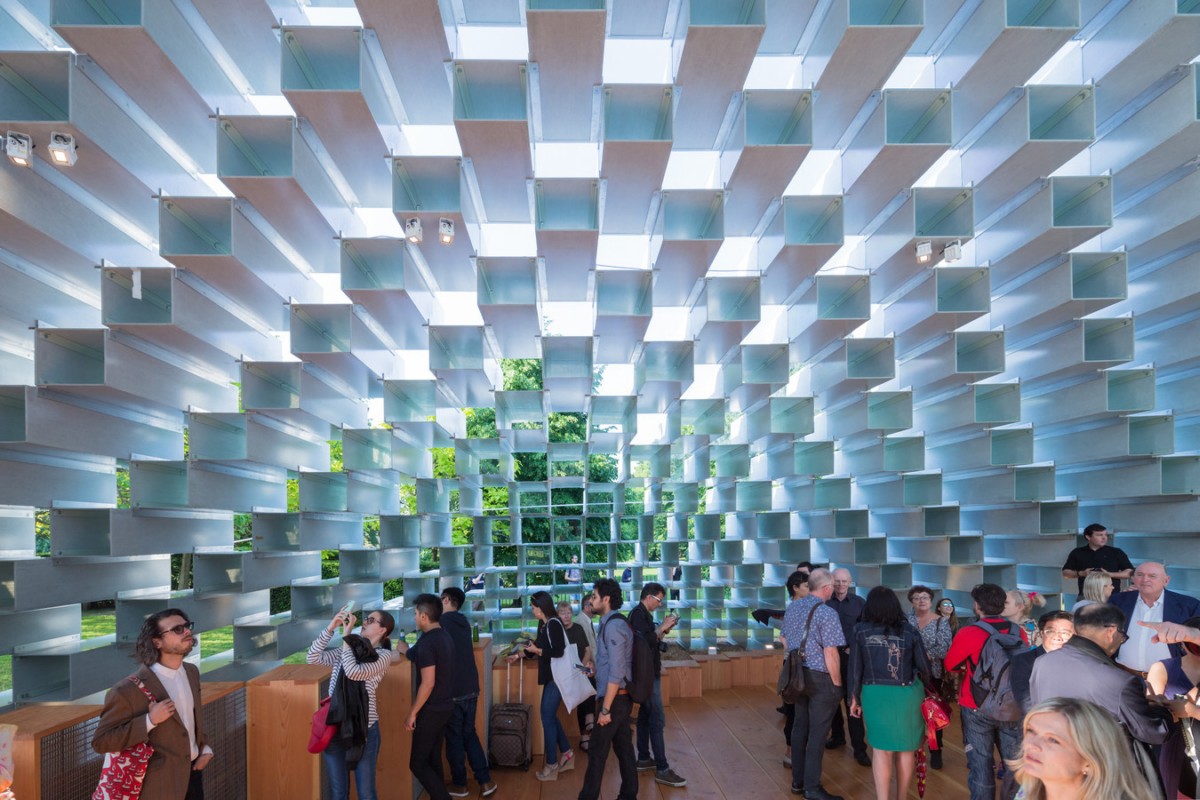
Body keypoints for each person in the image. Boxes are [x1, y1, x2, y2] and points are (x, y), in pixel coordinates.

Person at [1029, 603, 1178, 789]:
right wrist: (1165, 709)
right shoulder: (1119, 681)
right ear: (1111, 631)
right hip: (1103, 777)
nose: (1120, 641)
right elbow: (1154, 732)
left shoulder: (1042, 662)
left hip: (1053, 769)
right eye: (1122, 636)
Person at [93, 609, 213, 800]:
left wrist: (203, 747)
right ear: (156, 642)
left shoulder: (191, 672)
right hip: (156, 787)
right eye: (177, 629)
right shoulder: (126, 690)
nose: (187, 632)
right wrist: (149, 720)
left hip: (193, 777)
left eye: (187, 626)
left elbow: (189, 722)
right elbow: (101, 742)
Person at [944, 583, 1029, 800]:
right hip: (1011, 704)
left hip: (976, 705)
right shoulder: (1017, 631)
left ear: (977, 606)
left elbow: (950, 665)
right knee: (1015, 767)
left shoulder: (969, 632)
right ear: (1002, 605)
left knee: (980, 767)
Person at [848, 586, 932, 800]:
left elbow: (855, 668)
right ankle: (902, 797)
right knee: (906, 749)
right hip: (907, 694)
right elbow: (924, 666)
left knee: (881, 750)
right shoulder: (910, 631)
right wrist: (930, 689)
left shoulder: (860, 630)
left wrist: (854, 697)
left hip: (874, 694)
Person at [306, 606, 396, 800]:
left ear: (382, 630)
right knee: (338, 792)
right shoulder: (348, 648)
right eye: (366, 619)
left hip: (364, 729)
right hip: (335, 725)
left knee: (366, 792)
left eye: (371, 620)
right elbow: (312, 658)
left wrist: (347, 638)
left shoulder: (383, 656)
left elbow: (354, 672)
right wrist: (331, 628)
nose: (364, 622)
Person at [1012, 697, 1163, 800]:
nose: (1032, 744)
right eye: (1031, 731)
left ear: (1090, 760)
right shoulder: (1025, 791)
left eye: (1053, 740)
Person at [781, 568, 846, 800]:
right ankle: (812, 788)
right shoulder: (827, 613)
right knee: (818, 734)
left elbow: (785, 639)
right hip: (820, 677)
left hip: (797, 676)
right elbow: (831, 652)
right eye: (834, 586)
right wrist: (837, 684)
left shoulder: (794, 607)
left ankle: (798, 782)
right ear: (827, 588)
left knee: (800, 728)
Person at [578, 578, 638, 800]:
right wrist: (595, 669)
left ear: (606, 599)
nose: (590, 600)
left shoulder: (613, 626)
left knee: (596, 751)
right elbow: (610, 665)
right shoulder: (607, 623)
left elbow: (617, 671)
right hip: (616, 697)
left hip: (615, 700)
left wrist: (604, 710)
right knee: (623, 749)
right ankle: (629, 794)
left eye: (594, 596)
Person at [505, 591, 574, 781]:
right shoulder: (543, 623)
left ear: (542, 607)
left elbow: (558, 651)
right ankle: (567, 753)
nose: (533, 610)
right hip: (552, 677)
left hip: (557, 679)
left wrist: (538, 650)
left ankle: (552, 764)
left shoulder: (553, 623)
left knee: (546, 717)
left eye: (534, 607)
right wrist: (518, 655)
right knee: (550, 716)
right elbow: (537, 646)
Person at [438, 588, 497, 798]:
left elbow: (427, 651)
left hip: (452, 690)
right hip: (471, 687)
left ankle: (460, 784)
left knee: (454, 737)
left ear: (445, 600)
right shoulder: (463, 622)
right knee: (469, 733)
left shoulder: (441, 624)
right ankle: (485, 780)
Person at [398, 593, 456, 800]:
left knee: (417, 763)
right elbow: (418, 653)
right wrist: (407, 651)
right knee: (432, 758)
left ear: (423, 617)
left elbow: (428, 683)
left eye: (415, 614)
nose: (414, 618)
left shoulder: (428, 643)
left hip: (431, 710)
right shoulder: (442, 635)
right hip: (445, 707)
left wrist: (412, 713)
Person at [628, 582, 686, 787]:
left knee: (645, 715)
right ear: (649, 597)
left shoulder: (643, 615)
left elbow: (649, 639)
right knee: (657, 719)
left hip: (647, 673)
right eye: (659, 600)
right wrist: (661, 627)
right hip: (646, 675)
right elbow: (641, 643)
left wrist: (661, 630)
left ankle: (644, 758)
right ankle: (662, 768)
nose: (660, 604)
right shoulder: (637, 614)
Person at [1112, 561, 1200, 675]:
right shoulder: (1117, 601)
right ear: (1133, 578)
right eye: (1139, 575)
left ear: (1166, 580)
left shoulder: (1189, 605)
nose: (1145, 579)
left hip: (1171, 679)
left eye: (1152, 576)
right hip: (1124, 675)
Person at [1147, 614, 1200, 799]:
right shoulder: (1163, 668)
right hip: (1176, 744)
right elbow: (1153, 713)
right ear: (1181, 643)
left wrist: (1190, 710)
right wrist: (1170, 709)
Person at [905, 585, 954, 768]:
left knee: (933, 712)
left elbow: (944, 648)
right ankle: (912, 747)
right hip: (908, 672)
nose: (921, 601)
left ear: (931, 601)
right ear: (912, 601)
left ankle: (936, 749)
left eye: (925, 597)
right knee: (911, 711)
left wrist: (924, 656)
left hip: (932, 673)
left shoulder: (941, 622)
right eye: (917, 598)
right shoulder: (905, 619)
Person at [825, 567, 869, 766]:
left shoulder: (860, 603)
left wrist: (855, 647)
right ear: (831, 582)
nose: (841, 585)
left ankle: (860, 748)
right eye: (837, 581)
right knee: (832, 698)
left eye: (844, 581)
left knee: (852, 700)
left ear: (850, 582)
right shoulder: (824, 602)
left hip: (851, 659)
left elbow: (867, 629)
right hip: (829, 656)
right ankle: (837, 736)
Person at [1011, 611, 1074, 714]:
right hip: (1040, 722)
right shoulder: (1024, 661)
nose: (1057, 637)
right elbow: (1026, 701)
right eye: (1050, 632)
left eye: (1065, 633)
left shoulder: (1080, 661)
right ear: (1041, 634)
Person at [781, 567, 812, 769]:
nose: (810, 589)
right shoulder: (795, 607)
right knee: (793, 708)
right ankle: (792, 750)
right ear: (795, 588)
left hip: (796, 663)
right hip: (796, 664)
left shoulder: (803, 606)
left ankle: (797, 750)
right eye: (807, 586)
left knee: (799, 708)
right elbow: (784, 638)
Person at [557, 600, 596, 751]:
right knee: (582, 686)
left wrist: (583, 665)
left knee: (590, 677)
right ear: (558, 615)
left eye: (568, 613)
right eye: (563, 613)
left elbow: (587, 650)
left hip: (580, 666)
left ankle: (587, 726)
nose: (566, 616)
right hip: (566, 670)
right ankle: (588, 722)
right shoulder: (558, 631)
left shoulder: (578, 628)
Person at [1061, 523, 1133, 594]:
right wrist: (1082, 573)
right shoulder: (1078, 552)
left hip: (1111, 596)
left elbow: (1129, 573)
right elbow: (1066, 573)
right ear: (1088, 537)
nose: (1104, 538)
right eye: (1099, 535)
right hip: (1086, 596)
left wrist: (1109, 574)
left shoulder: (1116, 552)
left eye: (1105, 534)